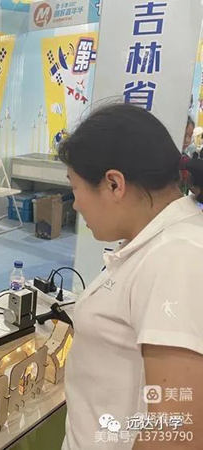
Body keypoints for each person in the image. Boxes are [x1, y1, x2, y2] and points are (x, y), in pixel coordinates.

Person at [58, 104, 203, 449]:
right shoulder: (157, 243)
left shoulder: (175, 258)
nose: (75, 205)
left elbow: (175, 435)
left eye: (75, 189)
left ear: (114, 184)